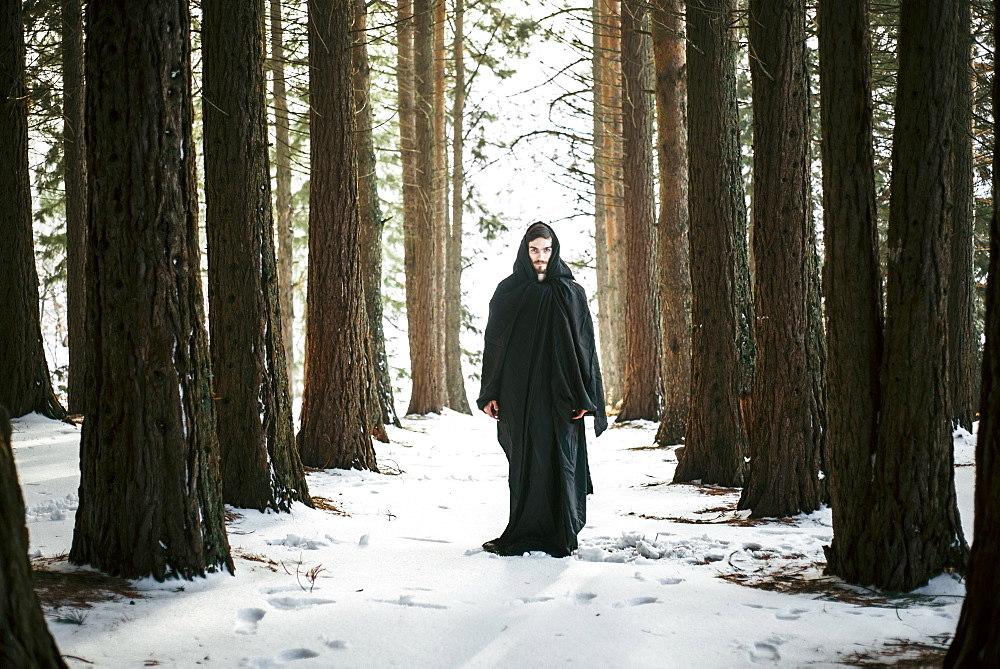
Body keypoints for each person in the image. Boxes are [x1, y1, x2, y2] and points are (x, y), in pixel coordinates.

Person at [477, 222, 607, 557]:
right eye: (535, 249)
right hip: (519, 394)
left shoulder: (570, 292)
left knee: (560, 458)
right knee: (526, 461)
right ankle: (524, 530)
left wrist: (586, 397)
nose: (541, 256)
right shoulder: (509, 291)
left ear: (555, 249)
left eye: (546, 249)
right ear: (525, 250)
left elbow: (585, 347)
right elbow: (495, 346)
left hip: (561, 395)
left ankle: (561, 533)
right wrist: (491, 393)